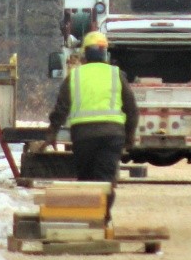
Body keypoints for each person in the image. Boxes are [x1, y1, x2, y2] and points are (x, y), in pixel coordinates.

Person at [46, 30, 139, 182]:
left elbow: (61, 109)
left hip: (84, 136)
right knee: (106, 181)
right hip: (112, 136)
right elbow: (131, 110)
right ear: (105, 53)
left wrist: (52, 133)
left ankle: (89, 204)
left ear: (85, 54)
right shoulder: (116, 75)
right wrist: (129, 137)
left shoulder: (75, 76)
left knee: (86, 181)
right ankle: (104, 205)